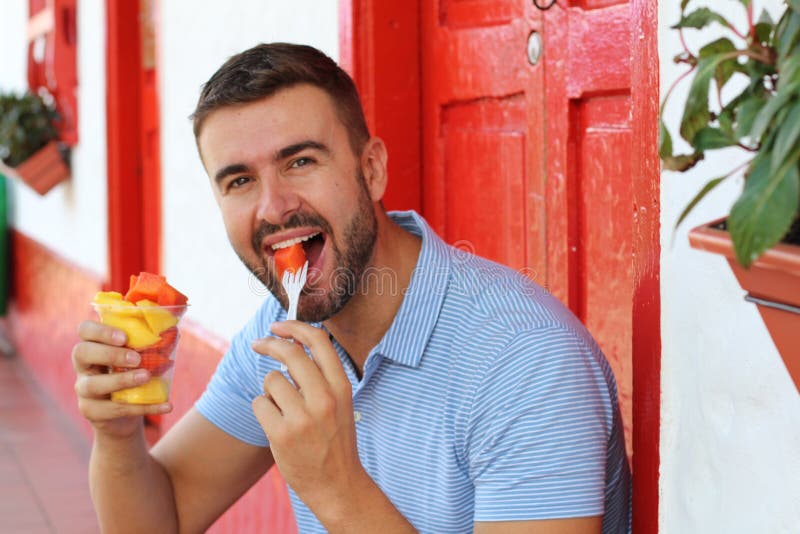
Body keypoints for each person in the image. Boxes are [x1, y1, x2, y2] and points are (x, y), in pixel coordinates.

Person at [72, 43, 631, 534]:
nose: (273, 207)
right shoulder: (277, 340)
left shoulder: (524, 360)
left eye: (301, 160)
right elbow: (159, 519)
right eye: (240, 180)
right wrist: (118, 436)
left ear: (373, 170)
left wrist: (335, 488)